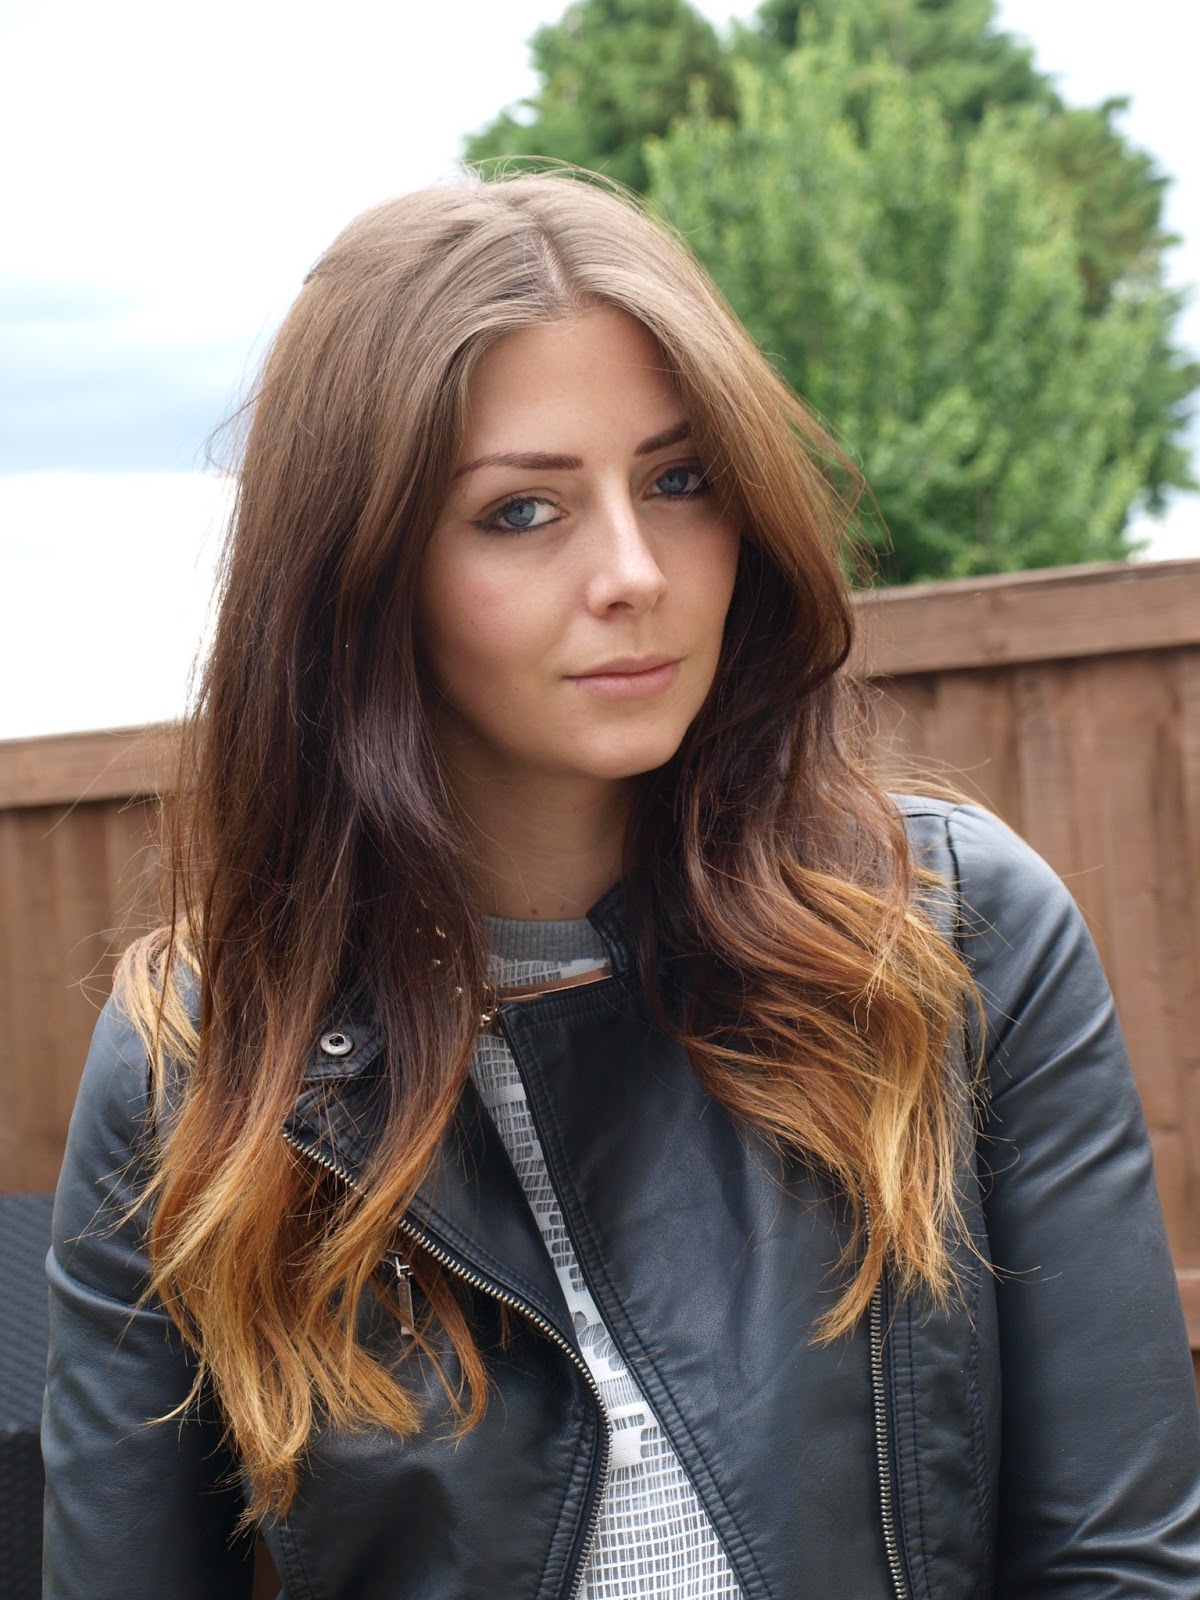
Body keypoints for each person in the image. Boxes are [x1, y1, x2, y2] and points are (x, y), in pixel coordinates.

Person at [42, 171, 1200, 1600]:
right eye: (523, 510)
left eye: (679, 480)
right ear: (362, 572)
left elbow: (1117, 1565)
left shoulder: (955, 937)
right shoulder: (199, 1056)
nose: (636, 572)